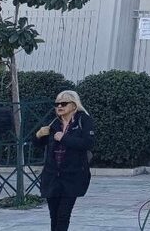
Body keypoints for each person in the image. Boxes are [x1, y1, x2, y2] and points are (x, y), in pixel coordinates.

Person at [34, 90, 95, 231]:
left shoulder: (84, 120)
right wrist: (38, 135)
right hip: (52, 176)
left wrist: (64, 138)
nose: (59, 106)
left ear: (74, 105)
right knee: (54, 216)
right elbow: (38, 144)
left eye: (64, 103)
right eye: (57, 104)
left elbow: (88, 143)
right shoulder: (54, 123)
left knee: (63, 215)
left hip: (72, 176)